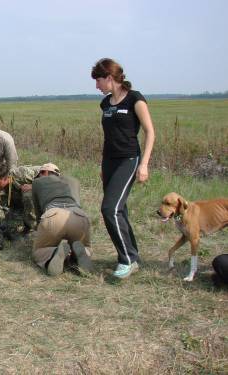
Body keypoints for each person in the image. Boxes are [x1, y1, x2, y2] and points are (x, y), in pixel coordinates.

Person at [91, 58, 155, 279]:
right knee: (120, 210)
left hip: (129, 160)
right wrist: (103, 164)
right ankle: (133, 256)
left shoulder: (135, 99)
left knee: (109, 208)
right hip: (109, 162)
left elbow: (150, 132)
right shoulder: (106, 104)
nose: (97, 86)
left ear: (109, 77)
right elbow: (108, 138)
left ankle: (126, 260)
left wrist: (144, 164)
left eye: (98, 81)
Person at [31, 163, 92, 276]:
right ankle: (80, 253)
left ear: (44, 172)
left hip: (54, 215)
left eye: (39, 174)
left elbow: (38, 212)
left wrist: (39, 231)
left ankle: (53, 253)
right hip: (78, 216)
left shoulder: (37, 182)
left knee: (38, 251)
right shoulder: (72, 181)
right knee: (86, 245)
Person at [0, 164, 40, 240]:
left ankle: (33, 228)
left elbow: (48, 178)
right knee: (6, 228)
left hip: (43, 196)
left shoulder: (22, 174)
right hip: (20, 201)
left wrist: (32, 186)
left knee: (27, 195)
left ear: (6, 178)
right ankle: (22, 221)